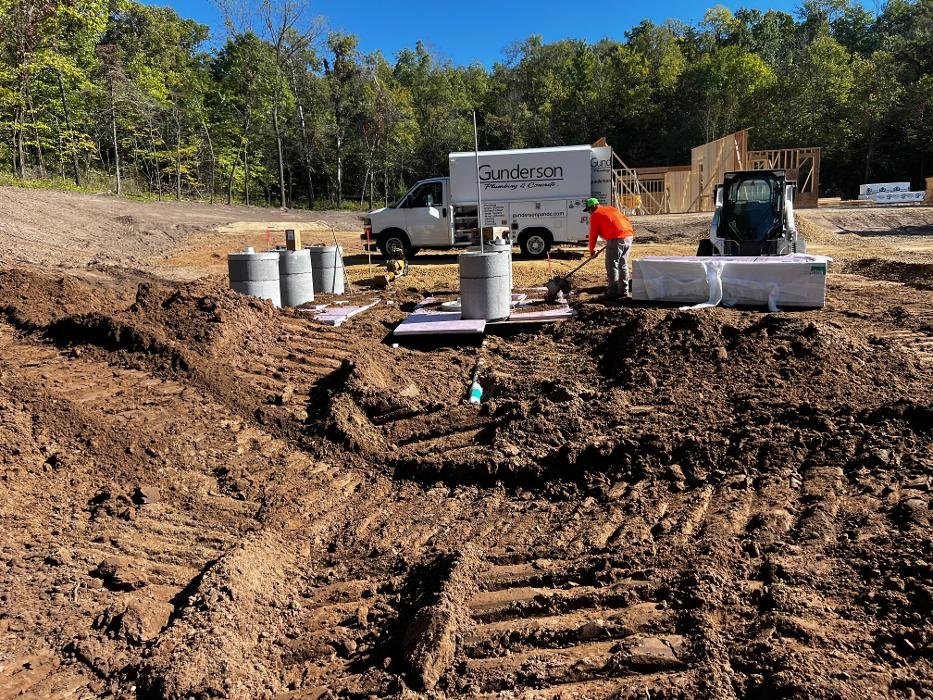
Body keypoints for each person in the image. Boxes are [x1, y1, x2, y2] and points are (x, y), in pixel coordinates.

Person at [585, 197, 634, 298]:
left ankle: (612, 292)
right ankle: (624, 291)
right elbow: (625, 220)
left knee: (612, 265)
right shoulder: (612, 209)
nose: (589, 212)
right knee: (623, 264)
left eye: (589, 210)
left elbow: (593, 234)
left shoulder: (596, 214)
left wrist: (592, 250)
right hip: (628, 236)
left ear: (593, 206)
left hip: (616, 237)